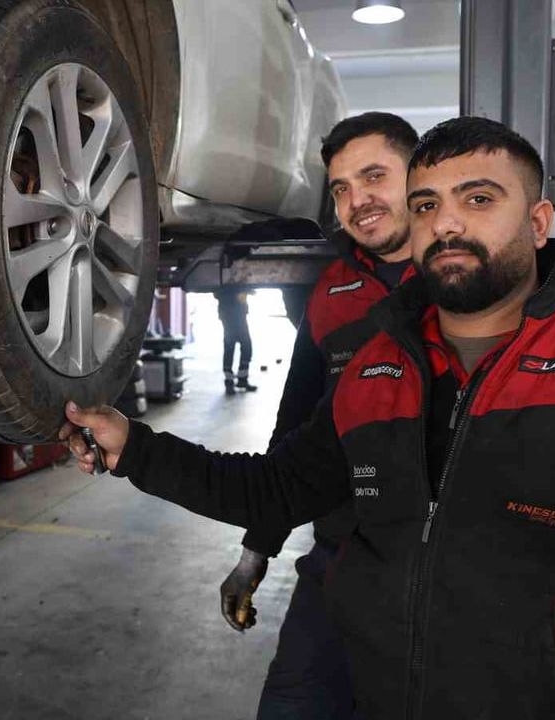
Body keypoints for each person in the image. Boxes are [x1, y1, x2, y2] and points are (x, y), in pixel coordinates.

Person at [61, 117, 555, 719]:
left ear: (538, 221)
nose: (446, 223)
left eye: (478, 200)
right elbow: (277, 488)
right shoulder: (378, 369)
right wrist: (136, 449)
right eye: (427, 205)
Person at [218, 112, 419, 720]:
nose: (357, 201)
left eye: (374, 176)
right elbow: (293, 426)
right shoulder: (331, 289)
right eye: (341, 188)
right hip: (338, 554)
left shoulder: (462, 277)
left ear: (419, 175)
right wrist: (257, 550)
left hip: (440, 566)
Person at [216, 285, 257, 394]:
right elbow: (218, 293)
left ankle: (241, 379)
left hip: (238, 314)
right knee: (231, 347)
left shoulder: (238, 279)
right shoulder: (225, 278)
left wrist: (246, 290)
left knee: (245, 347)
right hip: (229, 315)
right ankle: (230, 382)